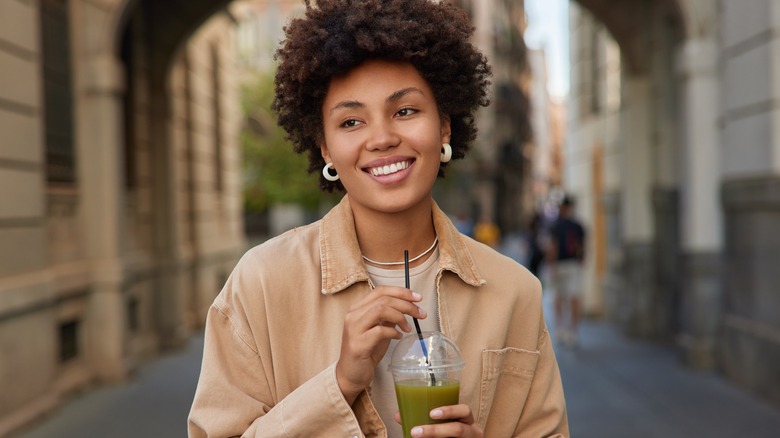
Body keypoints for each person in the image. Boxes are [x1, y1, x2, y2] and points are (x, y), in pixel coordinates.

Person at [188, 1, 568, 436]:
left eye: (405, 111)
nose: (383, 138)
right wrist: (339, 383)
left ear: (444, 126)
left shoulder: (515, 292)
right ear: (326, 147)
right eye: (351, 121)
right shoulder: (260, 284)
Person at [546, 196, 586, 347]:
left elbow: (552, 247)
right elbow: (581, 247)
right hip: (573, 264)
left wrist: (551, 265)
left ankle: (561, 328)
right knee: (573, 297)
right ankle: (572, 332)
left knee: (560, 297)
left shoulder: (555, 226)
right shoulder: (578, 226)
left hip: (560, 264)